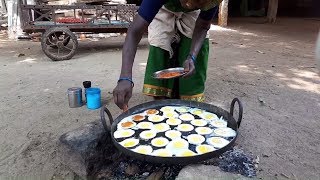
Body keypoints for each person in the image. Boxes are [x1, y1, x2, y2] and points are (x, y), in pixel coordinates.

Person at [113, 0, 222, 110]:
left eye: (198, 3)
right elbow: (135, 31)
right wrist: (125, 78)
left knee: (196, 50)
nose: (189, 5)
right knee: (159, 44)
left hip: (195, 13)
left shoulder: (212, 1)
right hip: (164, 7)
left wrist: (192, 56)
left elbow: (203, 26)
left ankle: (188, 97)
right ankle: (161, 102)